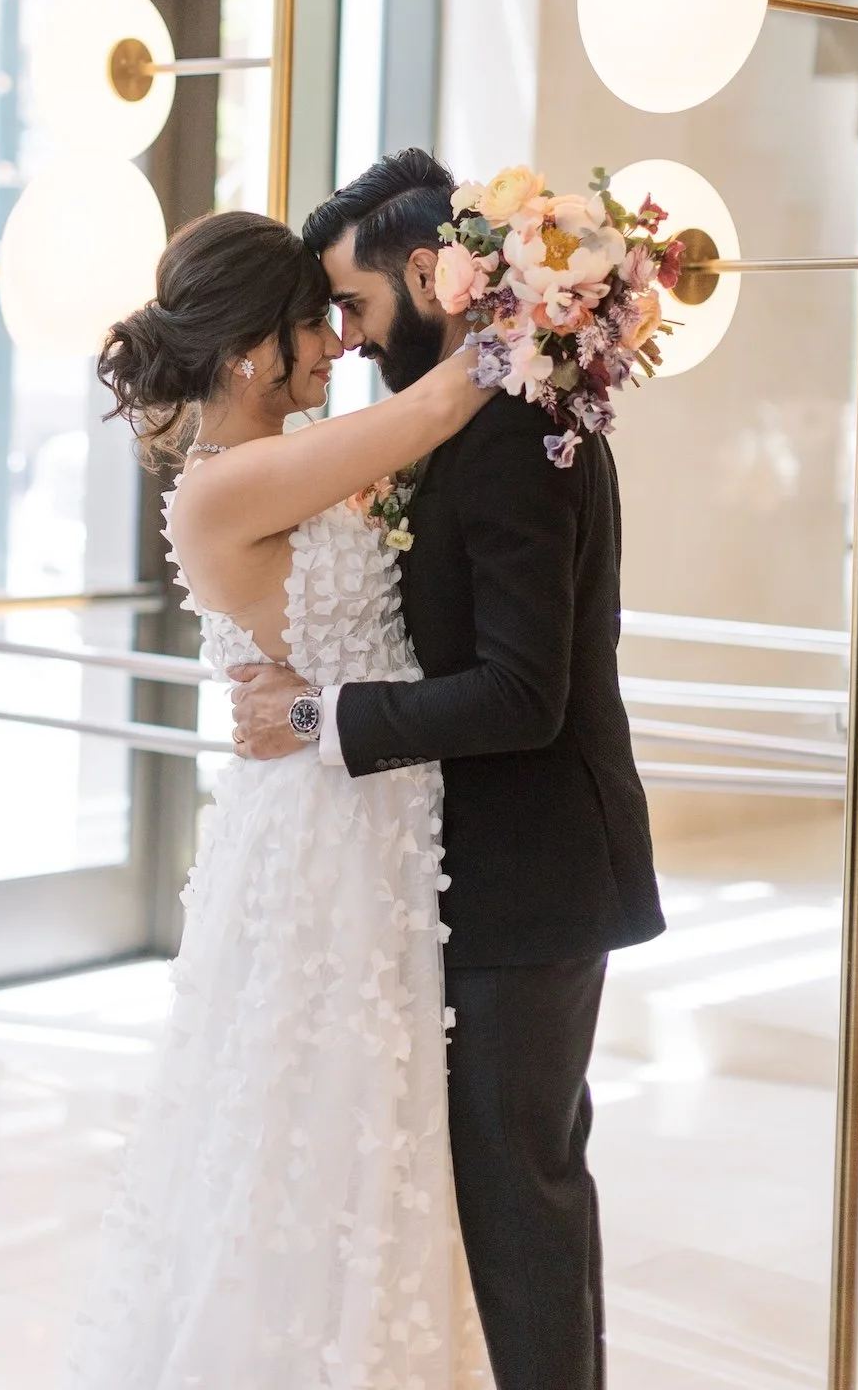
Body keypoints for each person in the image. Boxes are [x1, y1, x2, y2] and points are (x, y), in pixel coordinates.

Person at [231, 148, 666, 1390]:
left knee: (517, 1188)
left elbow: (526, 695)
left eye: (356, 307)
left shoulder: (519, 432)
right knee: (508, 1181)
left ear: (429, 273)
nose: (351, 341)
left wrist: (321, 714)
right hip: (470, 871)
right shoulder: (467, 422)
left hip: (532, 876)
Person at [63, 206, 496, 1389]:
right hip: (322, 834)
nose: (334, 343)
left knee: (374, 1127)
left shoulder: (295, 457)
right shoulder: (217, 487)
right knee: (308, 1122)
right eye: (316, 320)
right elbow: (432, 408)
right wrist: (551, 290)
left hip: (376, 809)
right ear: (255, 344)